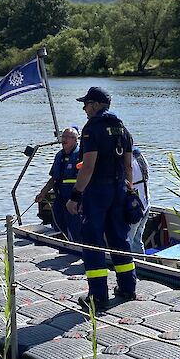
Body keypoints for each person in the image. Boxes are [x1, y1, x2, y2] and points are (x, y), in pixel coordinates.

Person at [66, 86, 136, 311]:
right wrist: (129, 190)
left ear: (95, 104)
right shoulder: (121, 128)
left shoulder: (91, 129)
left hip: (97, 191)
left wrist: (75, 196)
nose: (84, 109)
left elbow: (88, 167)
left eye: (85, 104)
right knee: (119, 239)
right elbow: (127, 165)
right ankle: (128, 287)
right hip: (119, 189)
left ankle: (98, 297)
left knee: (93, 241)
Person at [34, 127, 83, 241]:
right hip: (59, 198)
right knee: (58, 225)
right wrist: (42, 193)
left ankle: (78, 251)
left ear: (75, 140)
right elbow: (53, 178)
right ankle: (61, 249)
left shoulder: (81, 155)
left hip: (74, 198)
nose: (64, 139)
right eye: (63, 136)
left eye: (68, 137)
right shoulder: (59, 155)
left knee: (76, 227)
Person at [127, 145, 150, 254]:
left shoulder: (128, 161)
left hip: (134, 207)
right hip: (145, 204)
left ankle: (129, 266)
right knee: (137, 240)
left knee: (128, 239)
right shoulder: (141, 157)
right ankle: (142, 263)